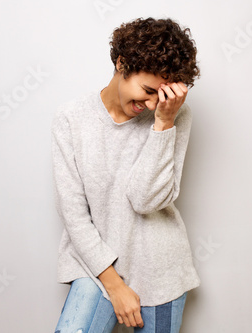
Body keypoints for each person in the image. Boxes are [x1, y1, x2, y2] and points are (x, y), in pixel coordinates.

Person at [52, 17, 201, 333]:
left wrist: (163, 123)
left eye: (158, 96)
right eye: (147, 90)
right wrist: (115, 286)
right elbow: (74, 214)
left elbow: (146, 200)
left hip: (158, 269)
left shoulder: (172, 115)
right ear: (121, 63)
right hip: (96, 265)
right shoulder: (71, 119)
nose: (149, 104)